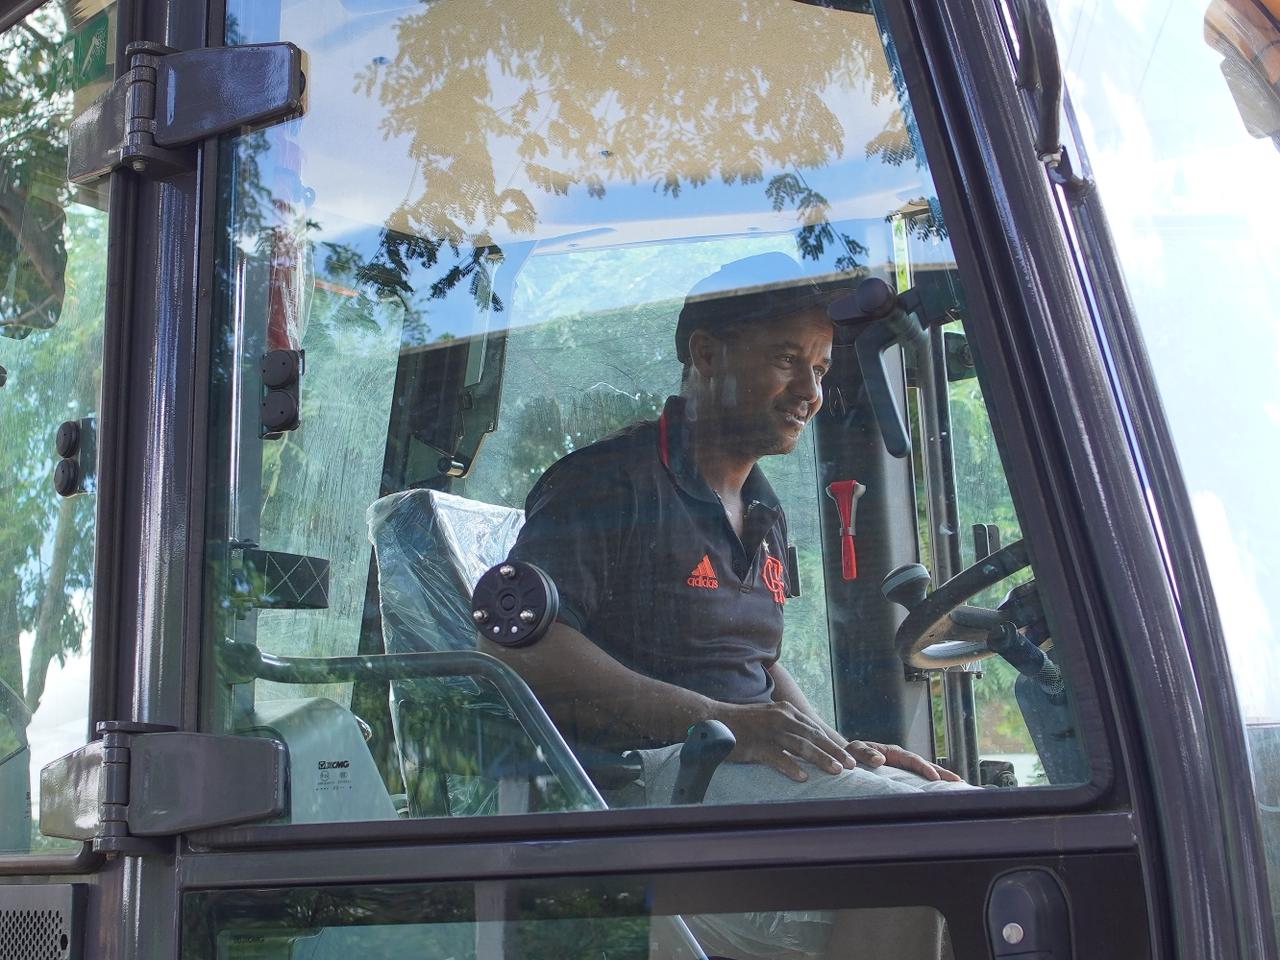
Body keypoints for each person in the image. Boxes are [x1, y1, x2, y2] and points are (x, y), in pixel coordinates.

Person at [484, 252, 965, 959]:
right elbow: (521, 646)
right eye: (787, 360)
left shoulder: (764, 509)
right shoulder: (607, 482)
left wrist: (829, 745)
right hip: (629, 787)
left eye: (822, 368)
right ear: (707, 355)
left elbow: (759, 665)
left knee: (975, 817)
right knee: (920, 838)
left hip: (731, 774)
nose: (810, 392)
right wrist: (723, 721)